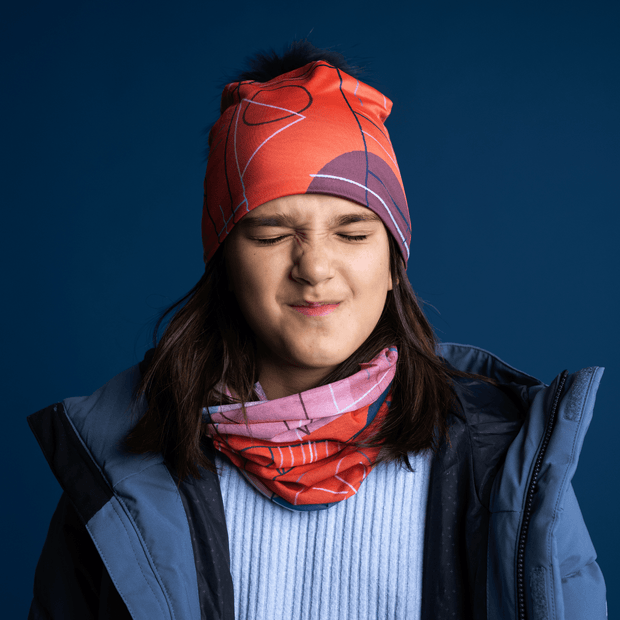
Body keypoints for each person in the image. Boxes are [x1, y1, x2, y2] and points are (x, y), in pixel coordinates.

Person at [28, 41, 607, 620]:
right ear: (224, 263)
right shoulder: (114, 473)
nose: (314, 267)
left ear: (392, 265)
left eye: (352, 234)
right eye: (272, 234)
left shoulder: (507, 464)